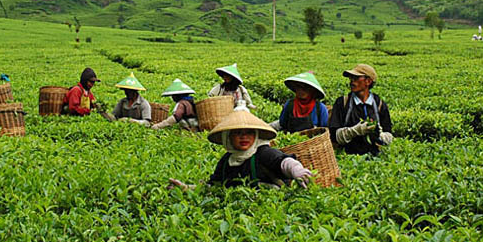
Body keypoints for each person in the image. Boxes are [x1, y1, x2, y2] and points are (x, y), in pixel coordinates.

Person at [168, 109, 312, 190]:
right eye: (237, 133)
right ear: (228, 138)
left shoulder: (263, 153)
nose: (244, 137)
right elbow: (214, 187)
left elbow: (284, 162)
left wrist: (297, 171)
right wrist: (187, 188)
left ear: (255, 135)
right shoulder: (226, 161)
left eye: (249, 132)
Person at [328, 64, 393, 156]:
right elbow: (334, 136)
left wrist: (379, 135)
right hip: (347, 158)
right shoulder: (342, 103)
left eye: (356, 78)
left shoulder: (380, 104)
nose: (351, 82)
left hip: (376, 158)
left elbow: (389, 135)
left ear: (368, 81)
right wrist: (355, 131)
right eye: (351, 78)